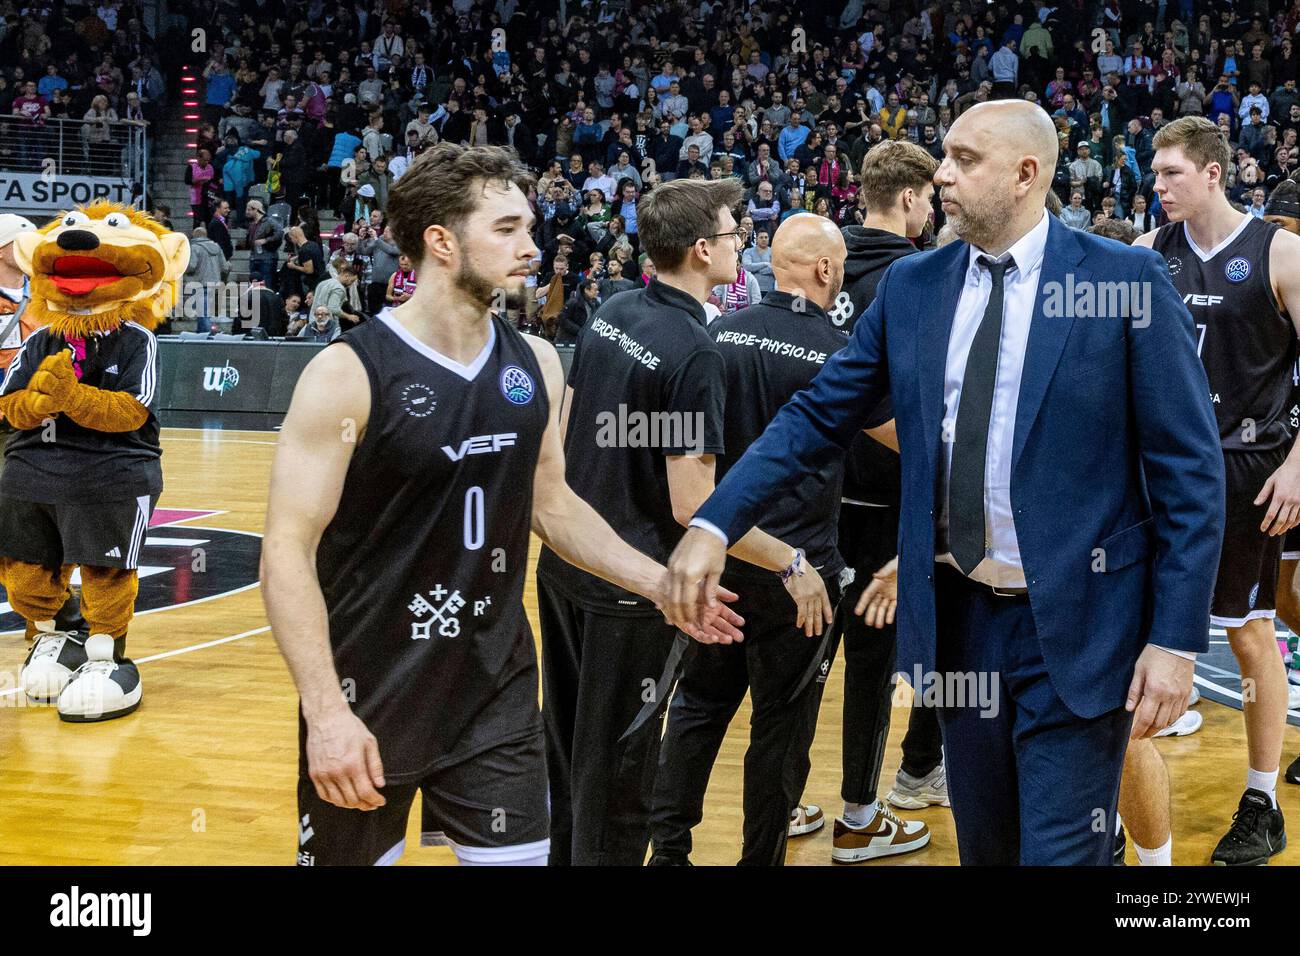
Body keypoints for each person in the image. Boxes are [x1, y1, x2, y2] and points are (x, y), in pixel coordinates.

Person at [662, 100, 1227, 866]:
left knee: (1063, 854)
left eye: (964, 159)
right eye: (944, 157)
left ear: (1027, 174)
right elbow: (817, 416)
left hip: (1084, 622)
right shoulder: (915, 286)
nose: (942, 173)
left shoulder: (1123, 279)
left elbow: (1190, 470)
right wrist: (713, 523)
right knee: (986, 848)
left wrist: (1175, 637)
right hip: (960, 624)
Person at [261, 144, 740, 867]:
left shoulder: (537, 364)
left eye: (530, 227)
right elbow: (285, 551)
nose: (532, 248)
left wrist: (659, 584)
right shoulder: (346, 375)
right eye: (509, 229)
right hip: (370, 688)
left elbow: (555, 505)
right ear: (441, 241)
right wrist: (326, 712)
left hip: (497, 689)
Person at [536, 177, 833, 866]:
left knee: (571, 758)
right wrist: (790, 560)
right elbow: (693, 507)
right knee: (618, 782)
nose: (743, 242)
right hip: (632, 594)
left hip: (567, 569)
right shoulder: (695, 350)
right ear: (703, 249)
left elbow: (574, 432)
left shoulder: (614, 309)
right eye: (734, 232)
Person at [649, 214, 852, 866]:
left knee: (697, 708)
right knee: (778, 733)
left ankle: (670, 854)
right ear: (825, 271)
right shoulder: (845, 355)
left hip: (723, 558)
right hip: (802, 579)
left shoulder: (717, 337)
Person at [1137, 118, 1300, 862]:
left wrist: (1298, 466)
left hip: (1245, 470)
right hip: (1158, 470)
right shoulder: (1146, 256)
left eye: (1171, 172)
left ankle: (1262, 798)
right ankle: (1127, 809)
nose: (1157, 184)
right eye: (1154, 171)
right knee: (1135, 633)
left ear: (1212, 172)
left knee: (1247, 632)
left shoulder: (1281, 251)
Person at [804, 139, 944, 863]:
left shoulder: (813, 264)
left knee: (800, 652)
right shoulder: (920, 275)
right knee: (878, 660)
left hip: (815, 496)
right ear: (914, 199)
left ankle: (792, 797)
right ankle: (869, 809)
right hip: (893, 502)